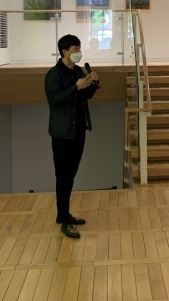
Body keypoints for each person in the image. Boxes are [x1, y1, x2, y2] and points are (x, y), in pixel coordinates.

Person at [45, 34, 100, 239]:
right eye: (76, 49)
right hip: (62, 132)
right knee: (63, 176)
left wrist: (92, 84)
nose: (79, 52)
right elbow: (55, 100)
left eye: (79, 48)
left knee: (71, 174)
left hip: (78, 130)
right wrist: (76, 87)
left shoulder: (77, 70)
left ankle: (64, 214)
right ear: (65, 51)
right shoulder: (53, 75)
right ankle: (64, 220)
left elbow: (85, 96)